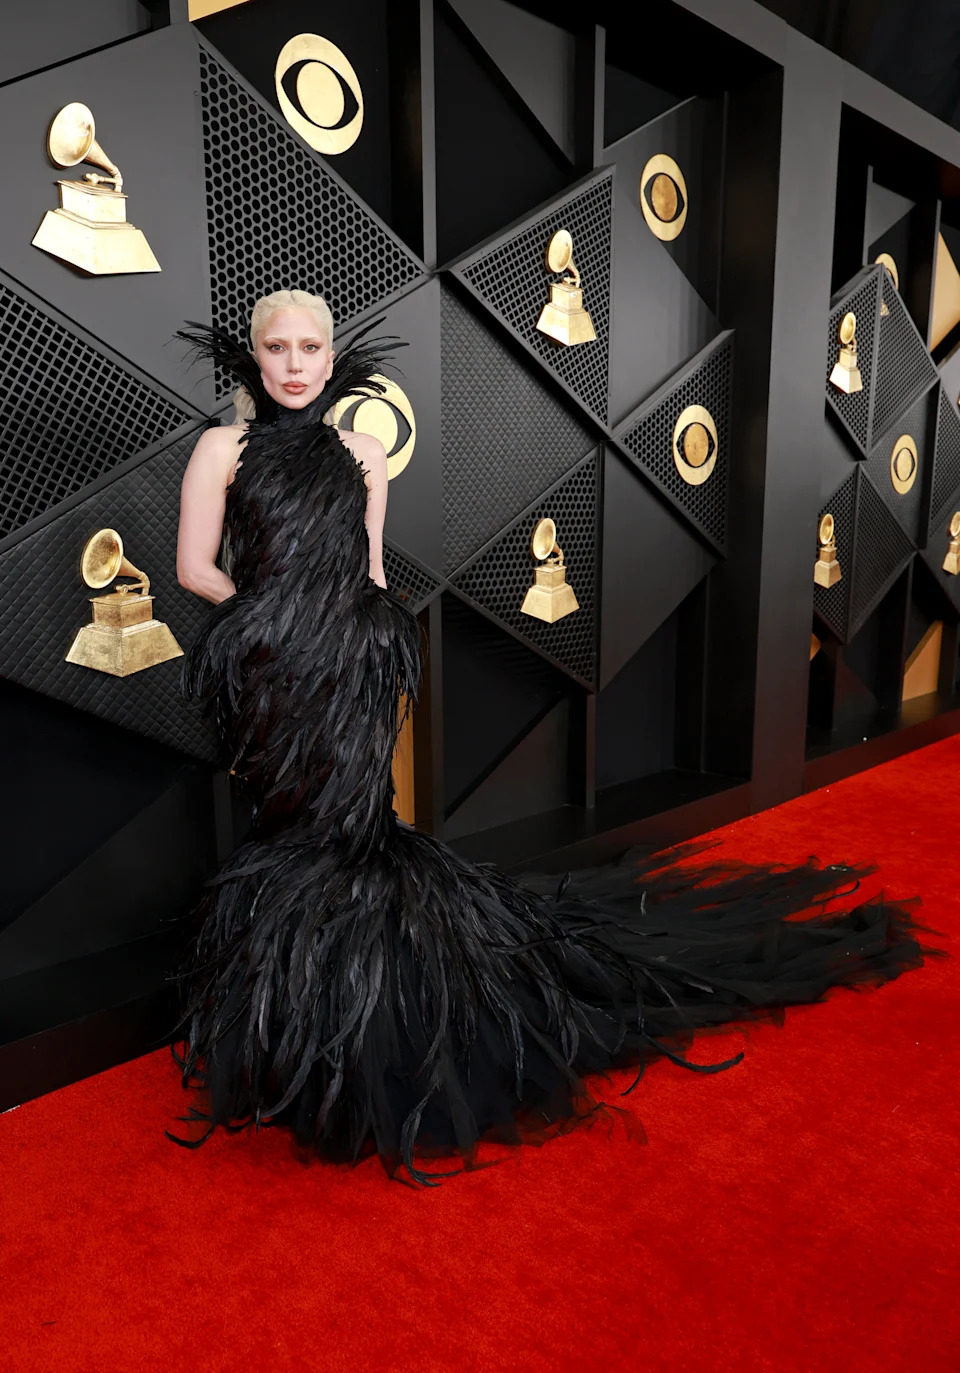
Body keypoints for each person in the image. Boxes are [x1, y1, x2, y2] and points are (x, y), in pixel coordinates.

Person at [171, 288, 929, 1186]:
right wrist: (275, 622)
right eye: (278, 348)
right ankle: (295, 1045)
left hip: (351, 678)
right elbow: (194, 568)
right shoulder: (221, 449)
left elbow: (370, 571)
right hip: (273, 678)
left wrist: (360, 641)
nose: (295, 364)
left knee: (353, 838)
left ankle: (359, 1047)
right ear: (254, 355)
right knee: (288, 837)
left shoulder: (364, 454)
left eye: (310, 348)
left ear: (333, 360)